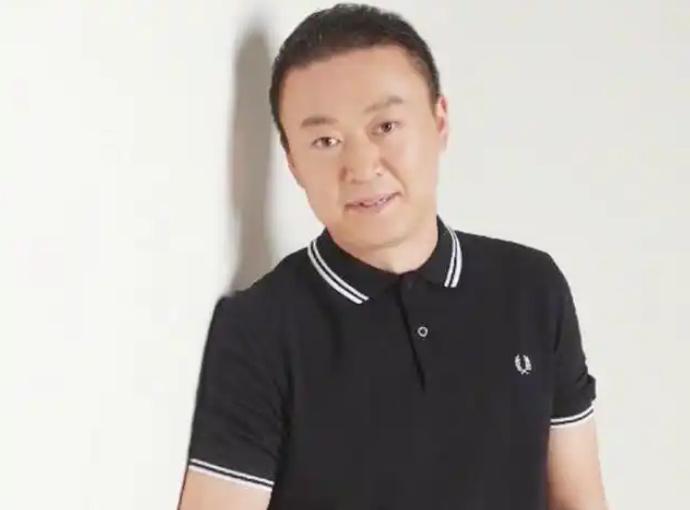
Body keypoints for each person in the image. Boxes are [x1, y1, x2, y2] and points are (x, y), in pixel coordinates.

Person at [179, 3, 608, 509]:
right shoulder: (258, 329)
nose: (361, 167)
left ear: (439, 121)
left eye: (385, 126)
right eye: (325, 140)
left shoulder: (531, 287)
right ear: (292, 161)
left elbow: (579, 499)